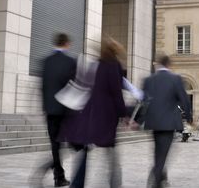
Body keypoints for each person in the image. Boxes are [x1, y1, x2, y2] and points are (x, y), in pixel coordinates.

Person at [58, 37, 128, 188]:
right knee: (111, 154)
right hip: (105, 118)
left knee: (85, 150)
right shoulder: (113, 66)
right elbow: (116, 93)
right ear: (115, 52)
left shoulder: (96, 65)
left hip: (90, 116)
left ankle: (77, 184)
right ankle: (115, 184)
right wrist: (124, 114)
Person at [31, 33, 75, 187]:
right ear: (67, 44)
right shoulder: (71, 62)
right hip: (65, 112)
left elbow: (42, 87)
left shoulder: (45, 62)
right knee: (71, 145)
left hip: (50, 111)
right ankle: (53, 170)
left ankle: (59, 177)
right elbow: (73, 87)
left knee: (55, 145)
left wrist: (44, 107)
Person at [142, 54, 192, 188]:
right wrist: (189, 118)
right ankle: (154, 182)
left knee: (158, 152)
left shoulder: (149, 80)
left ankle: (162, 179)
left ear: (158, 64)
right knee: (162, 156)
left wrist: (137, 120)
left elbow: (143, 101)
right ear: (169, 65)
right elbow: (184, 100)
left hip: (153, 123)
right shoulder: (175, 79)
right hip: (169, 124)